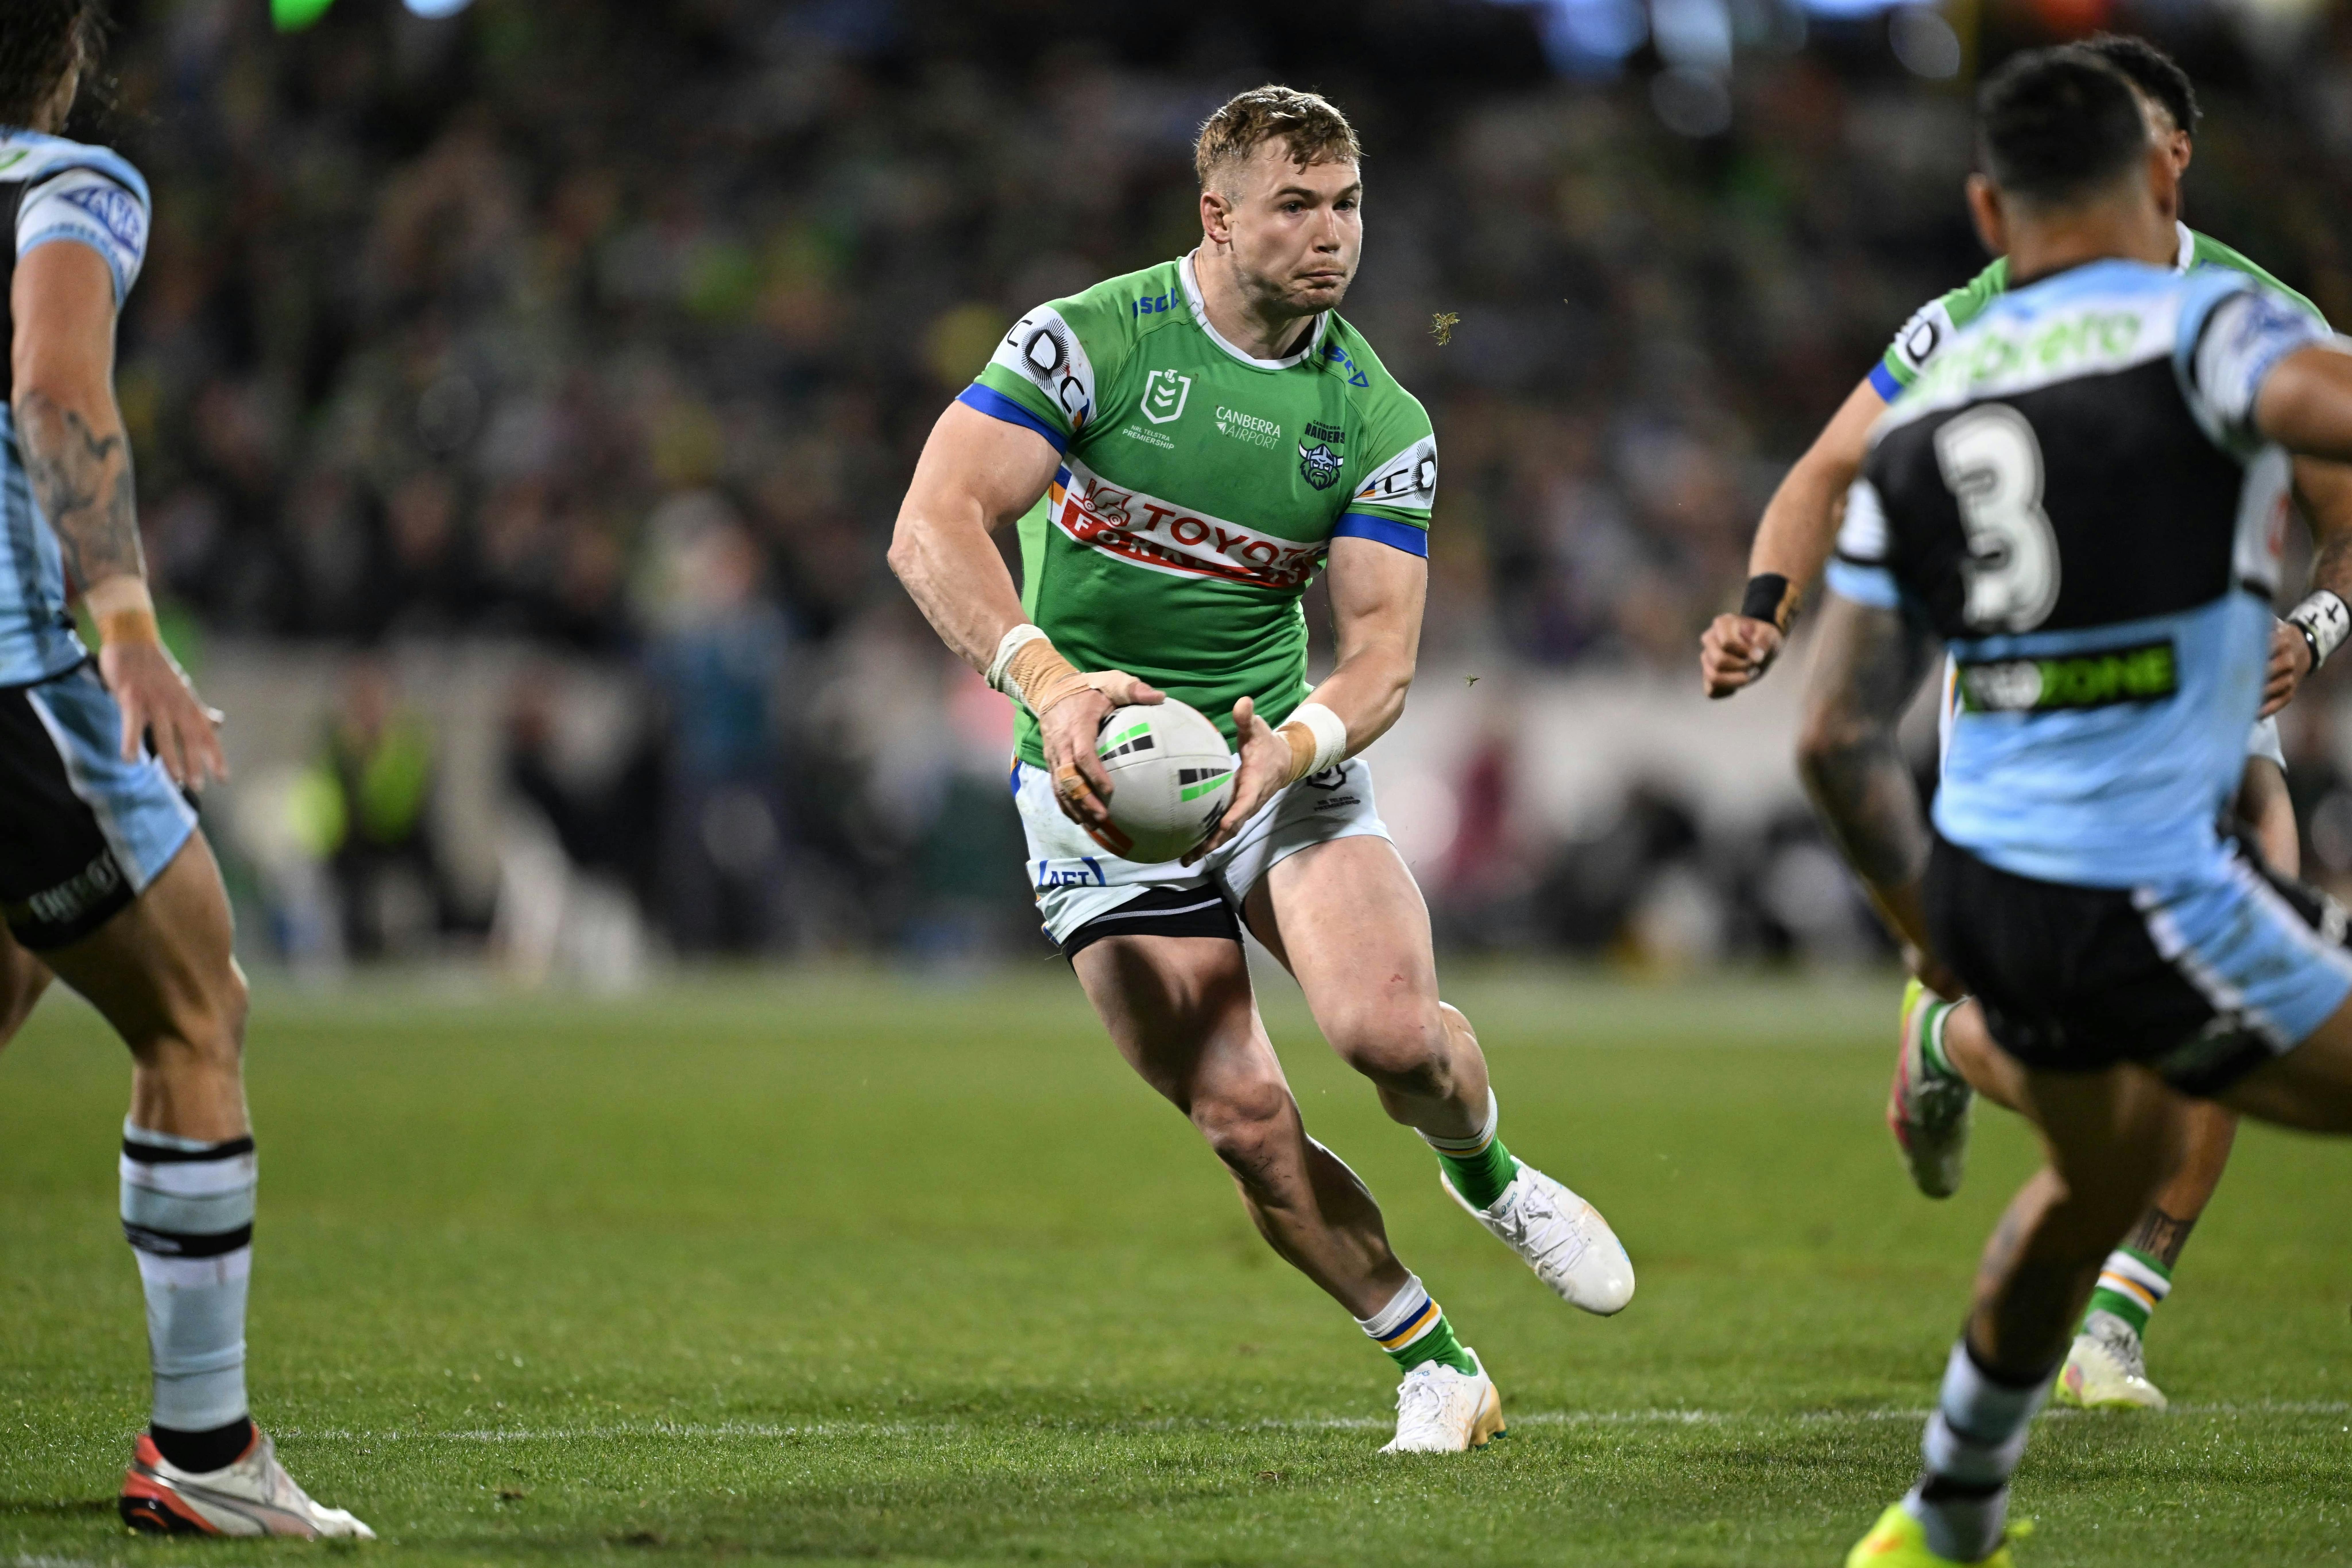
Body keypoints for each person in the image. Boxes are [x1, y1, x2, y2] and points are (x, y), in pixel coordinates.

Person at [887, 85, 1633, 1453]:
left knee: (1388, 1034)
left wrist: (1287, 748)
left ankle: (1492, 1175)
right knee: (1240, 1114)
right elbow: (932, 522)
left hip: (1271, 758)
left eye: (1347, 204)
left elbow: (1381, 661)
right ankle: (1435, 1361)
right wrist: (1045, 688)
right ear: (1216, 213)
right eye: (1295, 204)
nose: (1330, 234)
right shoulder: (1089, 342)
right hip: (1092, 782)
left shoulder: (1376, 415)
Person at [1701, 31, 2352, 1411]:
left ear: (2172, 155)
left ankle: (2111, 1319)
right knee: (2159, 1017)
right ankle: (1951, 1042)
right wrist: (1760, 599)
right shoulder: (1988, 318)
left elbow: (2343, 529)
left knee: (2206, 982)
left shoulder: (2244, 305)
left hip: (2207, 702)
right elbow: (1824, 468)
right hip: (2029, 721)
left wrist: (2313, 630)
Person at [0, 4, 367, 1539]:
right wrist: (131, 630)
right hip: (20, 683)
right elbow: (61, 396)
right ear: (63, 52)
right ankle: (204, 1446)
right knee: (196, 1005)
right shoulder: (66, 186)